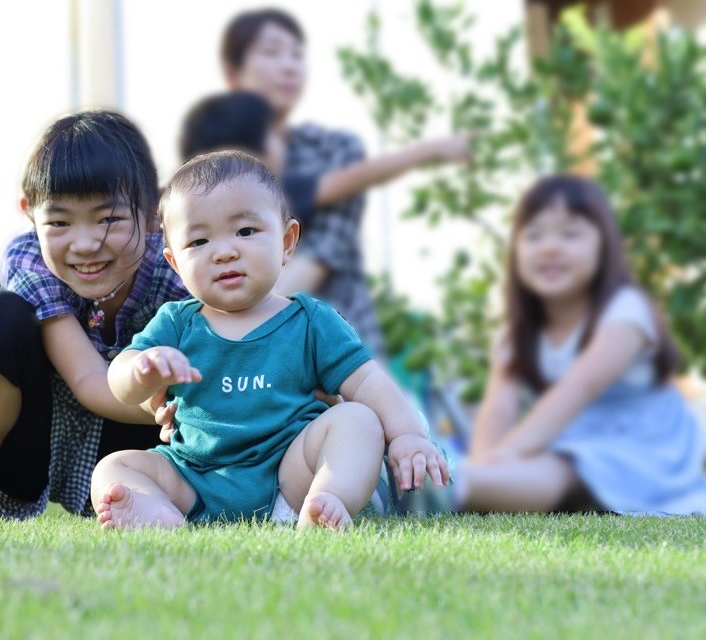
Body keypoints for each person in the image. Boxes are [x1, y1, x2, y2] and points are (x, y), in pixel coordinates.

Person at [91, 151, 449, 530]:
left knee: (357, 419)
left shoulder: (310, 320)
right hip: (195, 475)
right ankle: (159, 514)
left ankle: (326, 500)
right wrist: (141, 370)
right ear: (175, 262)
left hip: (289, 475)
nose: (225, 251)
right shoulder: (175, 324)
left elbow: (367, 382)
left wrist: (408, 435)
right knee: (114, 467)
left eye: (245, 231)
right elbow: (120, 384)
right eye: (199, 241)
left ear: (287, 241)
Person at [0, 110, 191, 526]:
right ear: (30, 213)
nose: (85, 244)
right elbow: (88, 380)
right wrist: (161, 401)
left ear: (152, 211)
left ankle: (176, 497)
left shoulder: (179, 265)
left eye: (108, 219)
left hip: (144, 448)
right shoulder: (30, 260)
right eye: (59, 222)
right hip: (42, 441)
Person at [219, 8, 470, 356]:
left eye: (297, 54)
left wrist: (226, 333)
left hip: (340, 350)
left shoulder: (333, 149)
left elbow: (322, 255)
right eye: (272, 52)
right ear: (233, 74)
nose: (290, 66)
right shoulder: (212, 163)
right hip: (236, 354)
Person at [458, 175, 706, 514]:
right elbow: (499, 407)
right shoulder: (519, 332)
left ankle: (454, 488)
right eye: (533, 235)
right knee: (551, 466)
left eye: (569, 234)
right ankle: (464, 488)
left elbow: (579, 388)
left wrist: (509, 455)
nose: (549, 247)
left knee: (562, 470)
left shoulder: (624, 311)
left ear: (604, 247)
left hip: (648, 446)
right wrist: (484, 463)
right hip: (578, 438)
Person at [179, 90, 471, 234]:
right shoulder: (271, 190)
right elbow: (360, 175)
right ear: (249, 149)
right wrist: (434, 149)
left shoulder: (177, 201)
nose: (284, 143)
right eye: (274, 134)